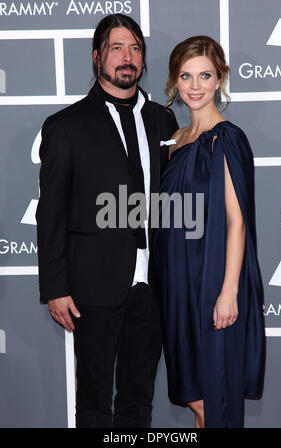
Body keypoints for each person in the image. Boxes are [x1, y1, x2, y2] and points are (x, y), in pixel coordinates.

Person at [36, 13, 178, 428]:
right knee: (96, 404)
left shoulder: (162, 120)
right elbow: (52, 212)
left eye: (135, 48)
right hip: (93, 286)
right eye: (117, 48)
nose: (127, 57)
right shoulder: (66, 126)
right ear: (97, 57)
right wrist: (56, 288)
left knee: (139, 400)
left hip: (153, 287)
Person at [151, 36, 265, 428]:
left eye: (205, 75)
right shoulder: (174, 142)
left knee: (215, 400)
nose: (195, 86)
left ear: (219, 80)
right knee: (196, 399)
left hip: (212, 283)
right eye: (186, 76)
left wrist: (228, 292)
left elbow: (237, 222)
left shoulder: (227, 139)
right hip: (176, 287)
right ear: (174, 82)